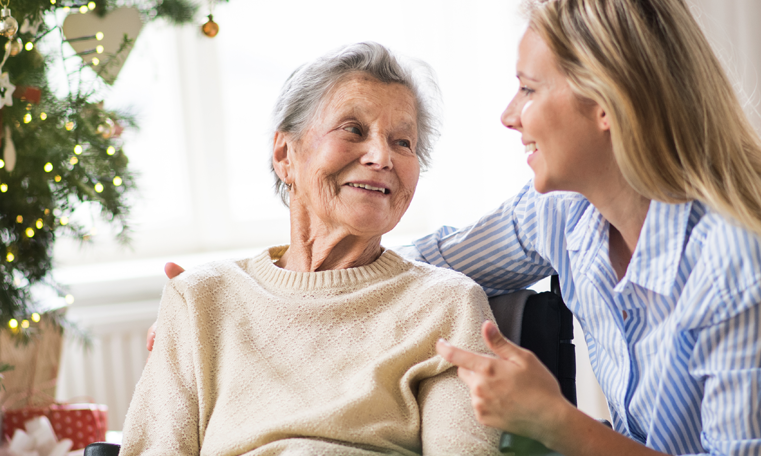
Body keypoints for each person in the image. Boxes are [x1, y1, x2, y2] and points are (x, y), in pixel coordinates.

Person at [151, 1, 761, 455]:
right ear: (284, 155)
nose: (507, 114)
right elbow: (412, 260)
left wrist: (555, 420)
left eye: (526, 88)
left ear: (606, 104)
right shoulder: (559, 213)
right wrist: (232, 295)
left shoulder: (734, 261)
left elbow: (422, 286)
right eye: (353, 131)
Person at [123, 42, 501, 455]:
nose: (381, 157)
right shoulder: (199, 299)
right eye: (353, 130)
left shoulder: (449, 306)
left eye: (403, 142)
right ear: (285, 155)